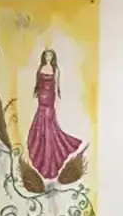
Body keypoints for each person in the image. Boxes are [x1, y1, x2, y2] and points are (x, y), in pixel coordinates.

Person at [27, 49, 82, 179]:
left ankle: (49, 157)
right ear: (44, 57)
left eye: (50, 56)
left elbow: (56, 86)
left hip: (50, 98)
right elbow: (38, 83)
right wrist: (37, 93)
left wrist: (56, 102)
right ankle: (40, 149)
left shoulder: (55, 69)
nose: (48, 58)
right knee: (40, 121)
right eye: (47, 56)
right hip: (41, 97)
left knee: (49, 123)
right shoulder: (40, 68)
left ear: (53, 57)